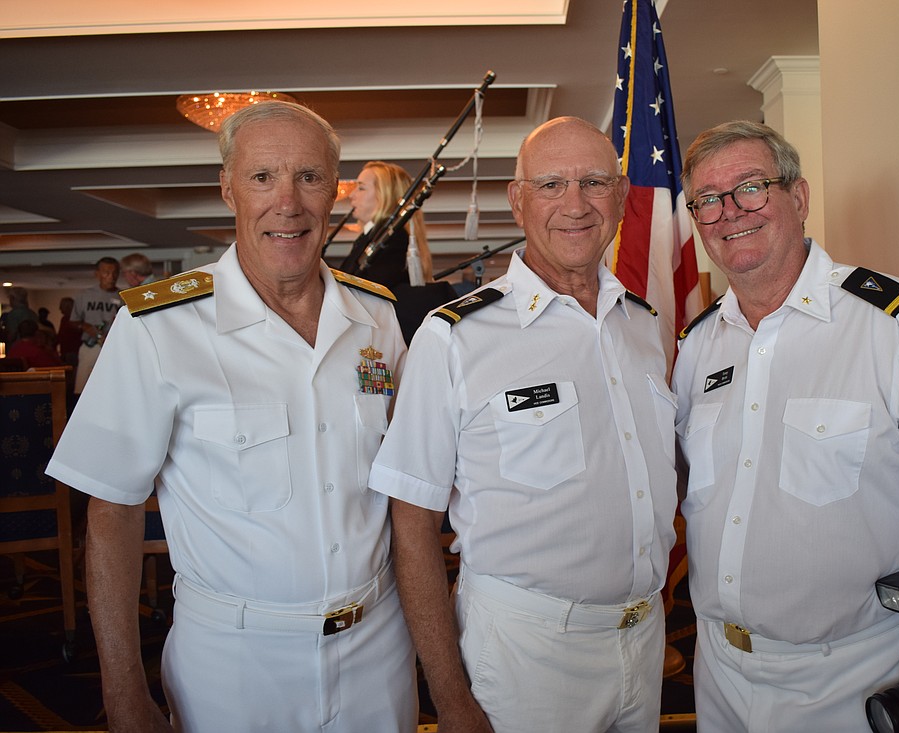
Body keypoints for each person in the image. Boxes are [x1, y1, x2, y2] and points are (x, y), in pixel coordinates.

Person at [46, 101, 416, 733]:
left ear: (335, 190)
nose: (287, 203)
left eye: (309, 177)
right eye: (262, 177)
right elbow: (112, 511)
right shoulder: (158, 326)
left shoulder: (377, 319)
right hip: (234, 664)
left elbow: (407, 488)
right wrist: (124, 690)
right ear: (228, 189)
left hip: (378, 652)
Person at [672, 121, 899, 732]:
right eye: (708, 200)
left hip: (852, 677)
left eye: (751, 187)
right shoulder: (698, 346)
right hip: (719, 673)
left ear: (799, 197)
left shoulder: (887, 322)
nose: (731, 213)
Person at [368, 116, 678, 733]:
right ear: (517, 200)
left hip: (644, 640)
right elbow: (412, 522)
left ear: (620, 196)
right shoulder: (456, 338)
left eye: (594, 183)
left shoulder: (644, 325)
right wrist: (450, 698)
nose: (575, 204)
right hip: (525, 654)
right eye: (551, 184)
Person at [347, 160, 434, 289]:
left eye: (361, 188)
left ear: (385, 195)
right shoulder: (368, 238)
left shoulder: (394, 239)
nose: (351, 195)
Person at [69, 256, 122, 395]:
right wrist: (87, 328)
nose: (111, 277)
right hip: (90, 345)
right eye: (106, 273)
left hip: (113, 347)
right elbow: (74, 321)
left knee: (112, 386)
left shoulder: (122, 296)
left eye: (114, 273)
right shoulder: (84, 295)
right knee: (82, 387)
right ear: (97, 274)